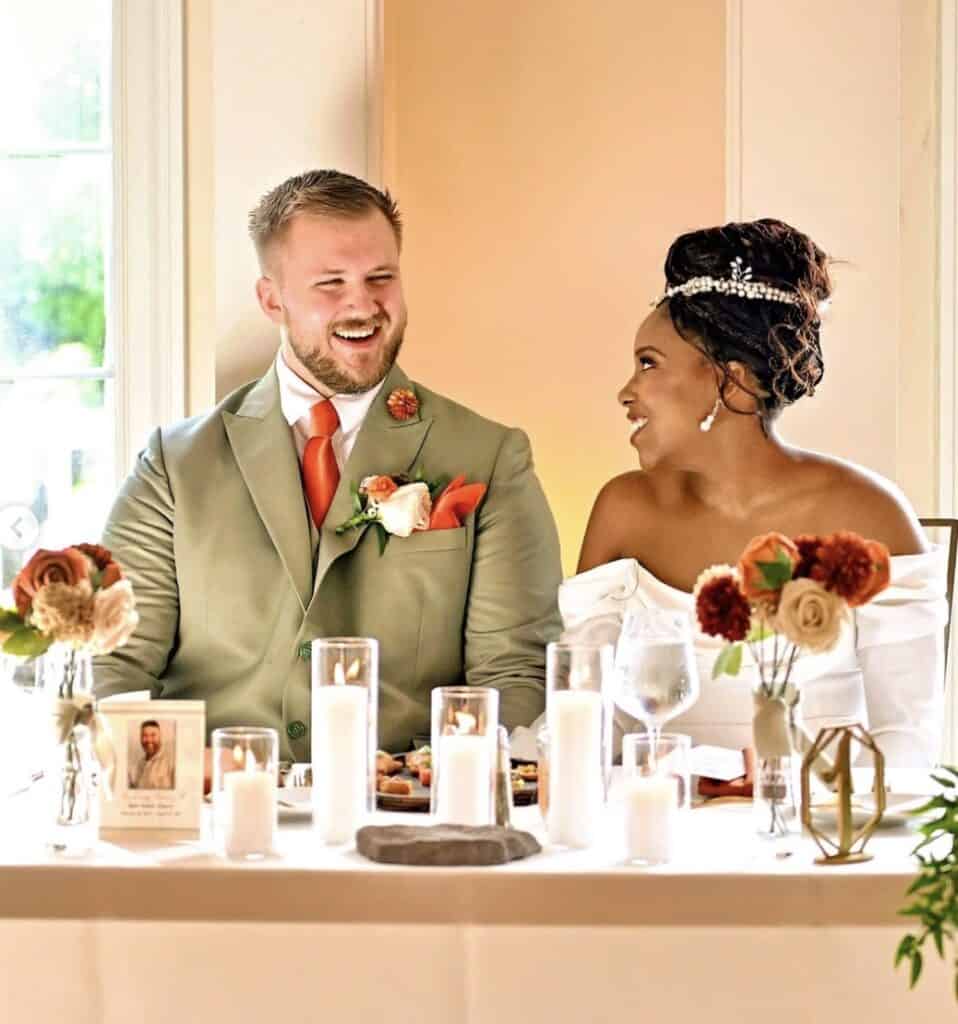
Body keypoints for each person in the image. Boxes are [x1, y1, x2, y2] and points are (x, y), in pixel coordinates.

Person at [94, 169, 562, 759]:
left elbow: (515, 675)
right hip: (216, 819)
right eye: (331, 283)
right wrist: (160, 788)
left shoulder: (490, 458)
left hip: (408, 814)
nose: (362, 304)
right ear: (272, 299)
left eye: (381, 278)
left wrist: (446, 795)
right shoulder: (172, 465)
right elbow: (118, 662)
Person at [565, 218, 946, 781]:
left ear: (733, 381)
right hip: (654, 842)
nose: (627, 391)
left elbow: (909, 748)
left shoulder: (871, 517)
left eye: (649, 363)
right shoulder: (623, 511)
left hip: (820, 849)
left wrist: (767, 786)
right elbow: (586, 723)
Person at [128, 720, 175, 790]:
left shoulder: (171, 763)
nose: (149, 740)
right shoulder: (138, 766)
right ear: (140, 738)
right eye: (144, 736)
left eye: (153, 735)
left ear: (160, 737)